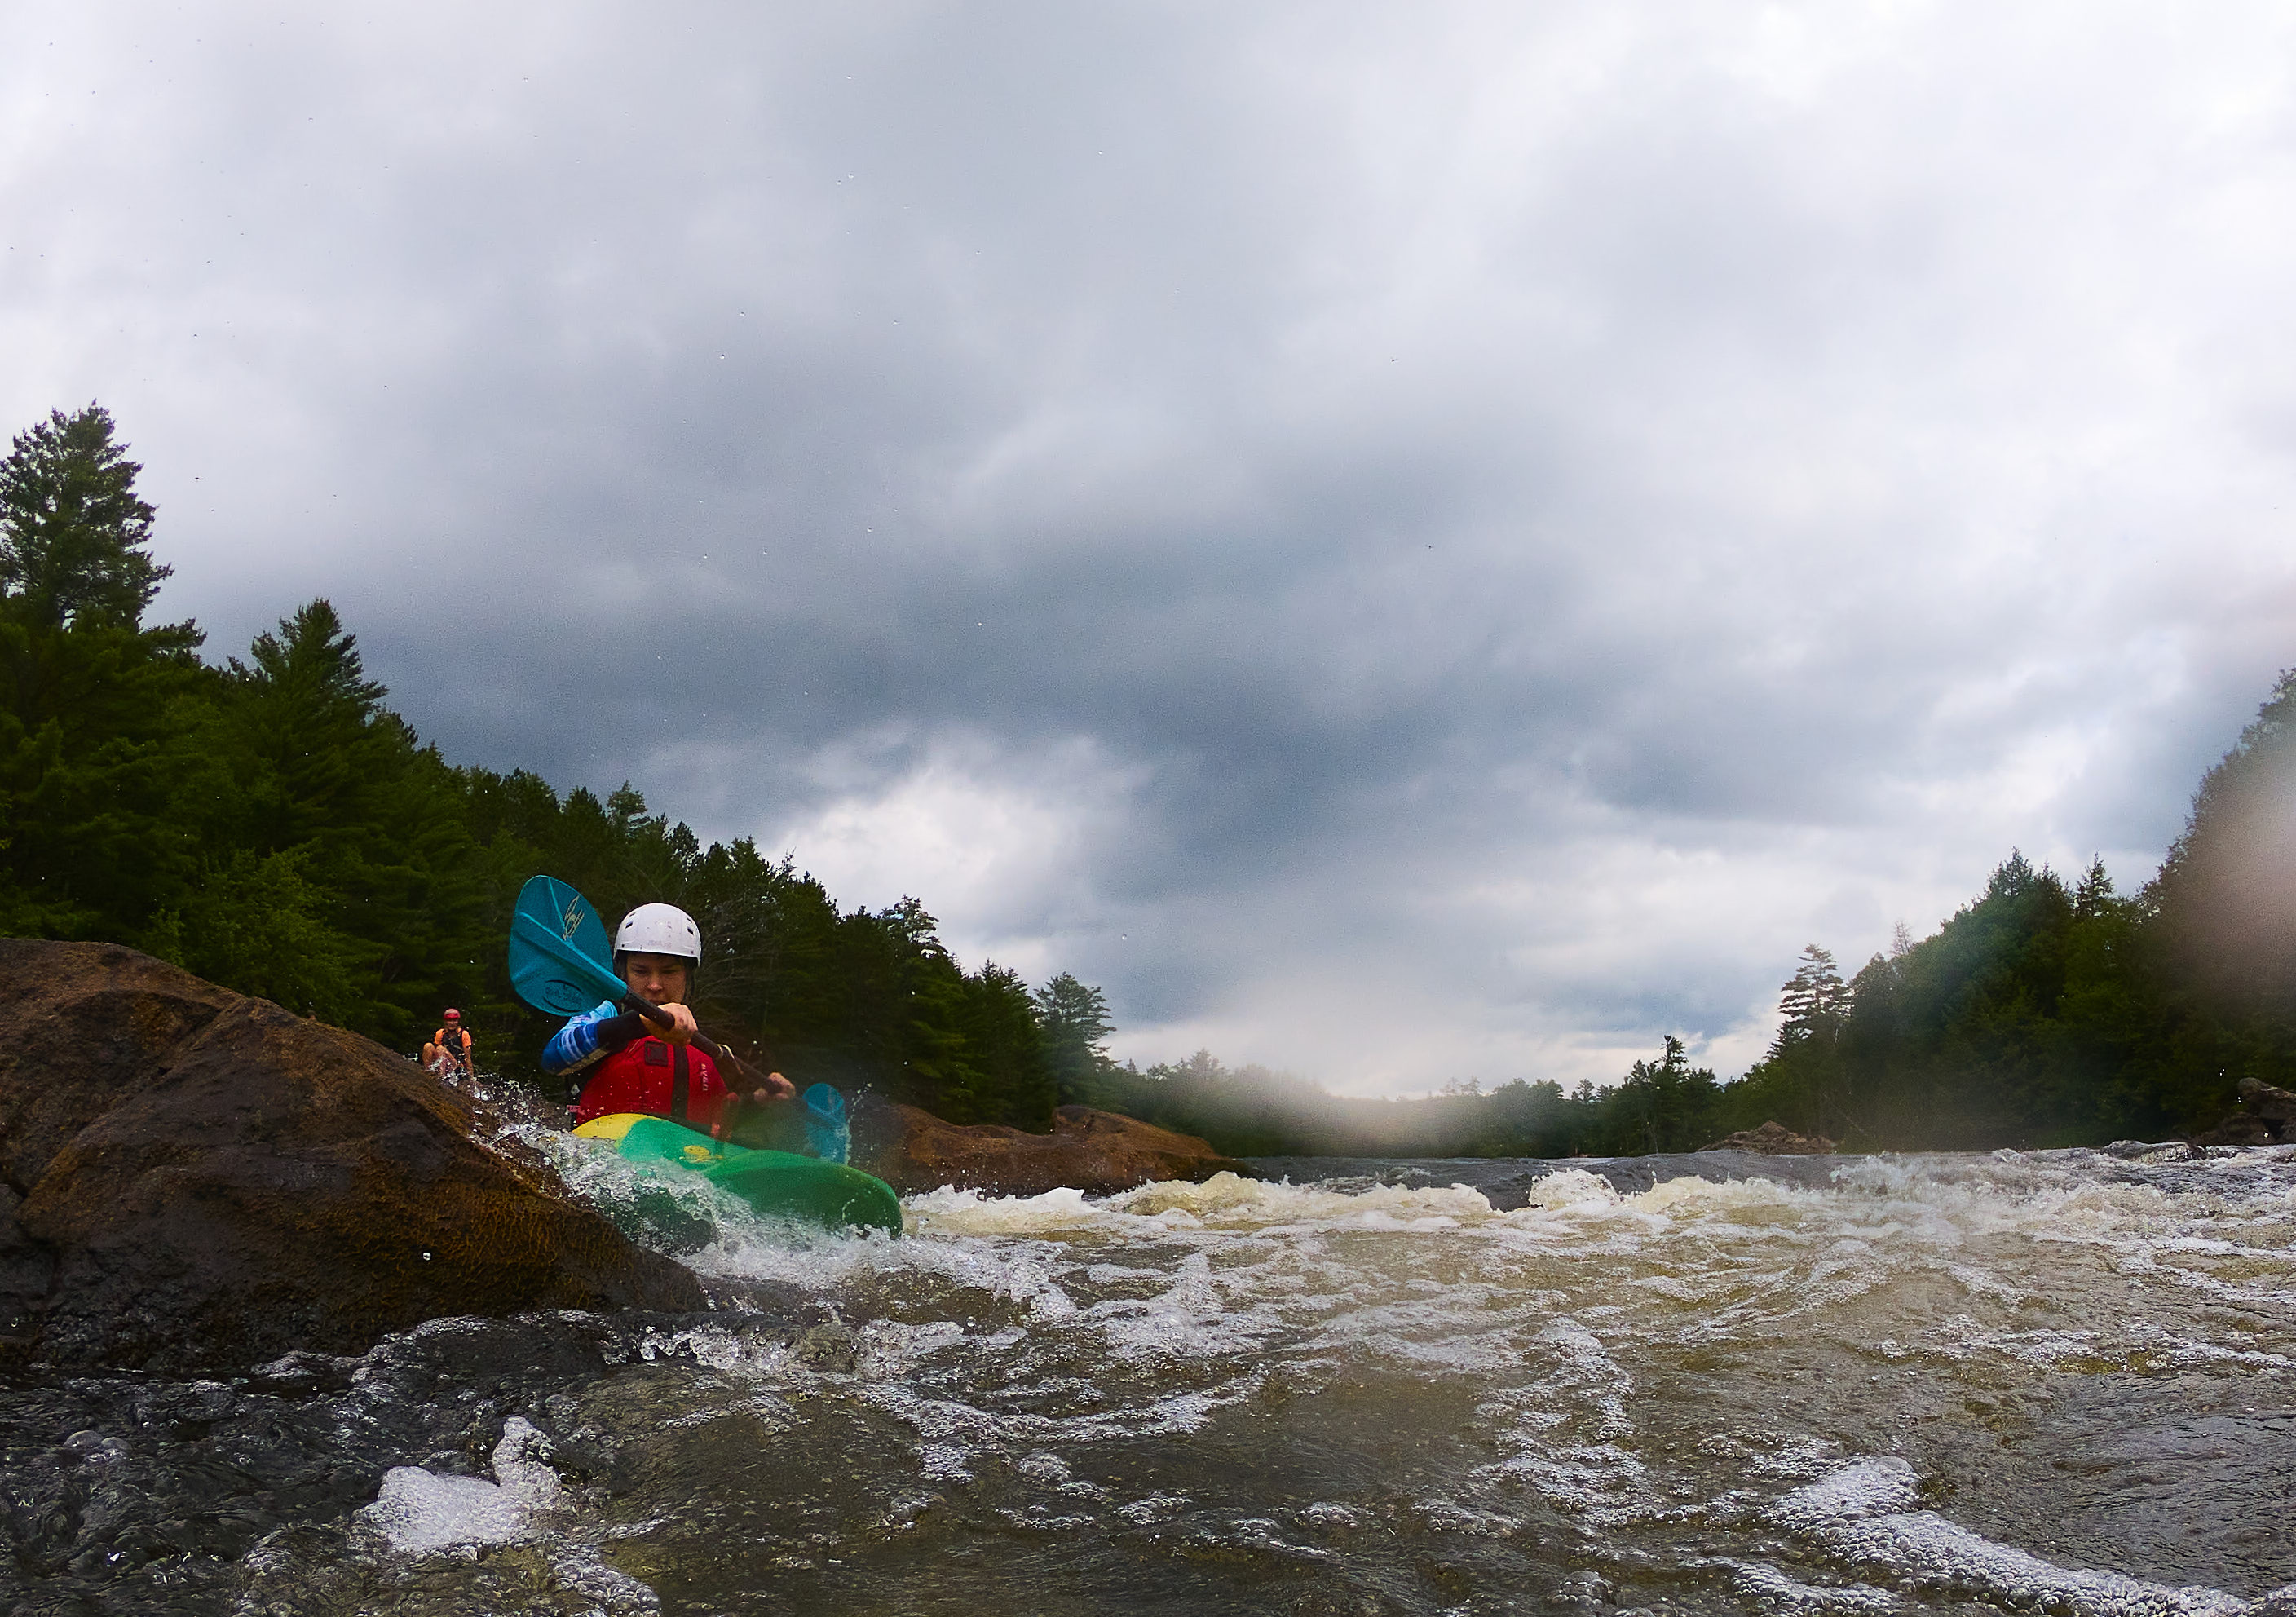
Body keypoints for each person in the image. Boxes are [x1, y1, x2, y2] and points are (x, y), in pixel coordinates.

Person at [541, 903, 847, 1158]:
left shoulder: (703, 1049)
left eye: (670, 972)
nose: (655, 984)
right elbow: (555, 1057)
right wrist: (640, 1023)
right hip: (602, 1160)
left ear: (688, 978)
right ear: (623, 972)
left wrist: (759, 1102)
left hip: (680, 1169)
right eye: (641, 971)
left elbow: (716, 1124)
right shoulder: (606, 1014)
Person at [422, 1009, 474, 1080]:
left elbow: (468, 1057)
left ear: (458, 1022)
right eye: (450, 1021)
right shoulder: (440, 1033)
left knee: (440, 1049)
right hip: (443, 1061)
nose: (452, 1023)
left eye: (454, 1021)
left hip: (456, 1065)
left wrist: (471, 1076)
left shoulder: (463, 1034)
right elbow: (437, 1052)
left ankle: (441, 1076)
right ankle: (428, 1072)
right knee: (428, 1046)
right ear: (445, 1022)